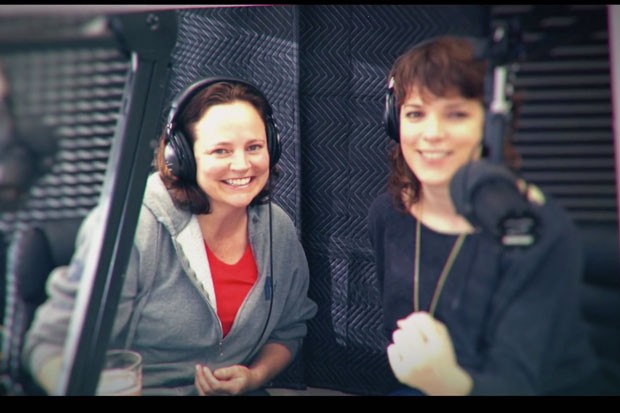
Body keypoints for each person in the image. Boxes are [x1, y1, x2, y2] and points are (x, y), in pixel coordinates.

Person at [22, 76, 318, 396]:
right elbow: (48, 346)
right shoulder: (132, 228)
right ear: (183, 158)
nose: (242, 164)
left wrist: (254, 376)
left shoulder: (278, 230)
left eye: (254, 147)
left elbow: (288, 330)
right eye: (221, 151)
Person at [367, 36, 604, 395]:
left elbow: (519, 383)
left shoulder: (533, 230)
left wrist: (443, 380)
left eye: (456, 114)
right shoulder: (388, 214)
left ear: (490, 127)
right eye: (416, 113)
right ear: (393, 120)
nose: (432, 134)